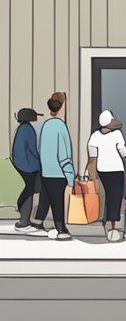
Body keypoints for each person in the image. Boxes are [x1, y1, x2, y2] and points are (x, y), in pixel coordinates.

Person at [32, 92, 75, 241]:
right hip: (58, 173)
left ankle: (37, 222)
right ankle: (61, 229)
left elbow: (40, 149)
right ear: (62, 107)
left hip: (46, 170)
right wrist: (70, 176)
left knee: (46, 197)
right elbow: (64, 155)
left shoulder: (45, 125)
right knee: (57, 201)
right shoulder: (60, 126)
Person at [86, 110, 126, 242]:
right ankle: (113, 227)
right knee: (115, 197)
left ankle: (107, 223)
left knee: (107, 196)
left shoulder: (94, 136)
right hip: (116, 169)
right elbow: (123, 152)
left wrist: (90, 173)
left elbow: (92, 156)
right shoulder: (117, 134)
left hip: (102, 170)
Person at [9, 107, 42, 234]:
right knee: (30, 192)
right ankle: (24, 222)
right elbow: (33, 149)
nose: (36, 118)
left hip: (21, 165)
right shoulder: (27, 129)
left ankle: (23, 219)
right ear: (30, 117)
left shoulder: (21, 128)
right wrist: (40, 161)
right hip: (29, 166)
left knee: (28, 190)